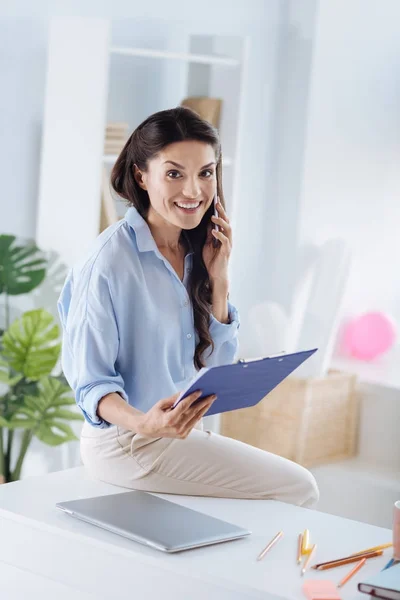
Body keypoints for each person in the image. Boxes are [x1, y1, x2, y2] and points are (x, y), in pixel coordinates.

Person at [58, 107, 319, 508]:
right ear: (142, 176)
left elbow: (215, 370)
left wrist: (220, 281)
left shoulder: (198, 252)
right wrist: (146, 422)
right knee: (299, 487)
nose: (194, 191)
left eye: (206, 173)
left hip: (176, 434)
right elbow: (91, 383)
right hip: (127, 442)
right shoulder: (108, 263)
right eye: (174, 173)